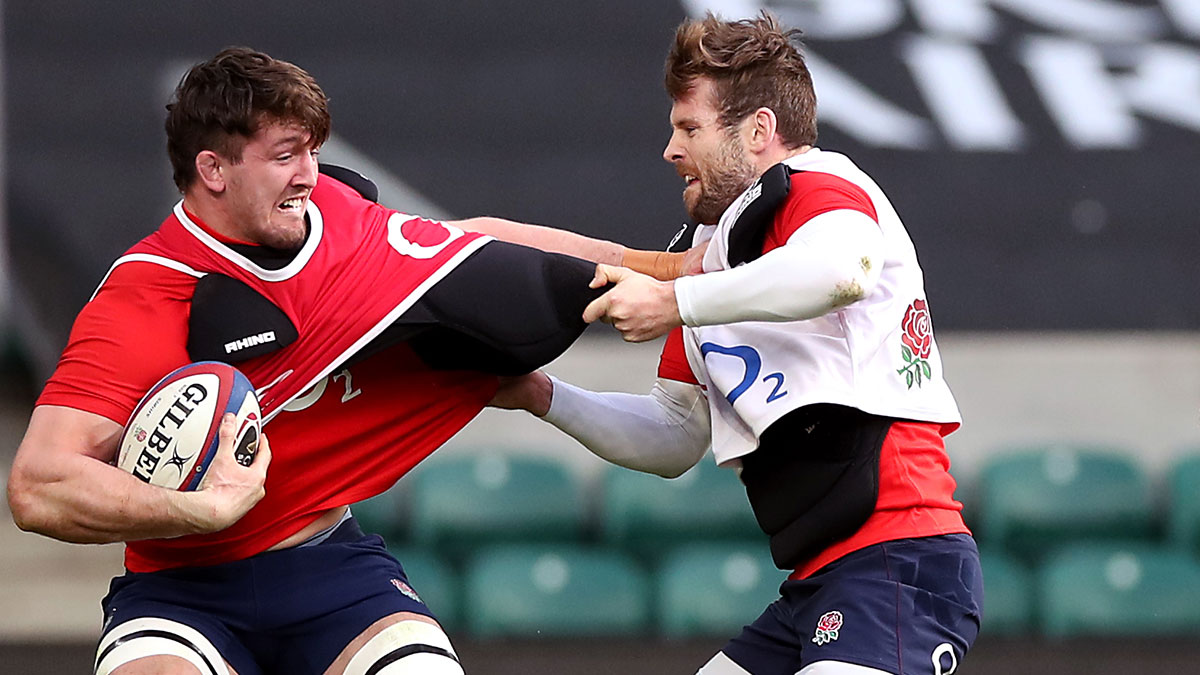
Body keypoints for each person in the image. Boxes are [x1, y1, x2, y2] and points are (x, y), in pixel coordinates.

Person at [5, 47, 689, 675]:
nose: (309, 174)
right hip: (181, 588)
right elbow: (38, 485)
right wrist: (195, 510)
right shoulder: (142, 297)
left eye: (312, 151)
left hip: (327, 565)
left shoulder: (338, 211)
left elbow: (472, 242)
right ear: (212, 169)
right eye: (284, 155)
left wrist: (663, 268)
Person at [492, 12, 982, 675]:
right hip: (820, 582)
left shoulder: (821, 185)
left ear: (758, 132)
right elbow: (673, 434)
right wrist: (538, 394)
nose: (670, 148)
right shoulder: (713, 257)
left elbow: (842, 271)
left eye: (690, 128)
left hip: (903, 563)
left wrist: (673, 299)